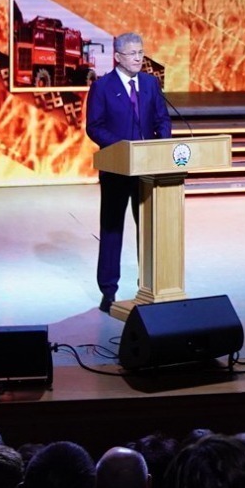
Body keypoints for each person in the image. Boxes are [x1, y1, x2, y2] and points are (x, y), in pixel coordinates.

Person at [85, 31, 172, 310]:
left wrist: (161, 146)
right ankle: (108, 290)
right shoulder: (102, 87)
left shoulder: (150, 83)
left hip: (147, 170)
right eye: (132, 53)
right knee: (112, 230)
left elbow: (162, 119)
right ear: (117, 57)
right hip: (117, 170)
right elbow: (94, 126)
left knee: (147, 230)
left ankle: (147, 285)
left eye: (141, 52)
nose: (138, 58)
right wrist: (124, 149)